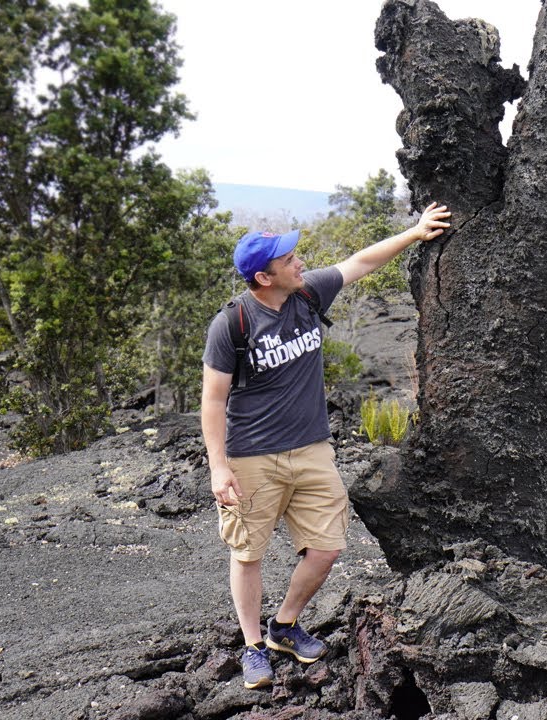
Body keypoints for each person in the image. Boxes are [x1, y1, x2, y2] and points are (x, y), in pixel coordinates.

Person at [201, 202, 450, 689]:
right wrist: (218, 466)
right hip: (251, 456)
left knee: (328, 548)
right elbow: (212, 401)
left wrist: (416, 232)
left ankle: (285, 626)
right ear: (263, 277)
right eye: (287, 259)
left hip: (313, 449)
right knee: (248, 553)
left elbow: (359, 262)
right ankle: (253, 647)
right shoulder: (231, 324)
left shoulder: (307, 293)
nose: (298, 262)